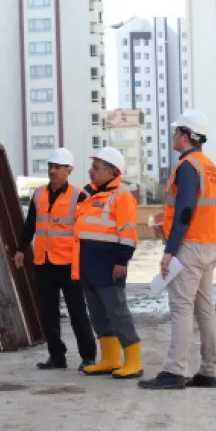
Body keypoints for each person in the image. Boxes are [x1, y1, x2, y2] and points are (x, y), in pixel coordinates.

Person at [139, 109, 216, 390]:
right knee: (205, 309)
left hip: (190, 246)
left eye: (176, 132)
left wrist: (169, 250)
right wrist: (165, 223)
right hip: (208, 244)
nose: (173, 136)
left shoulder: (188, 167)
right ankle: (209, 371)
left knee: (181, 309)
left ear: (186, 136)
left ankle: (174, 371)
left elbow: (186, 210)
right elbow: (194, 209)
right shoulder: (208, 165)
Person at [13, 148, 97, 370]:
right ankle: (57, 357)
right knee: (48, 313)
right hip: (44, 262)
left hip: (69, 264)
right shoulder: (39, 194)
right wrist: (21, 249)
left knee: (77, 312)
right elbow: (30, 224)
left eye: (57, 167)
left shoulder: (79, 196)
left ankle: (88, 356)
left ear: (69, 171)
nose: (52, 170)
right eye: (50, 166)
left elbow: (87, 231)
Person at [76, 147, 143, 379]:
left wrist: (121, 261)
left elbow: (128, 232)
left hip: (109, 266)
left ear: (111, 171)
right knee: (98, 315)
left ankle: (133, 361)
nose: (90, 171)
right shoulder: (90, 196)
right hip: (88, 265)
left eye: (96, 167)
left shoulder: (121, 196)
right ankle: (109, 359)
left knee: (118, 314)